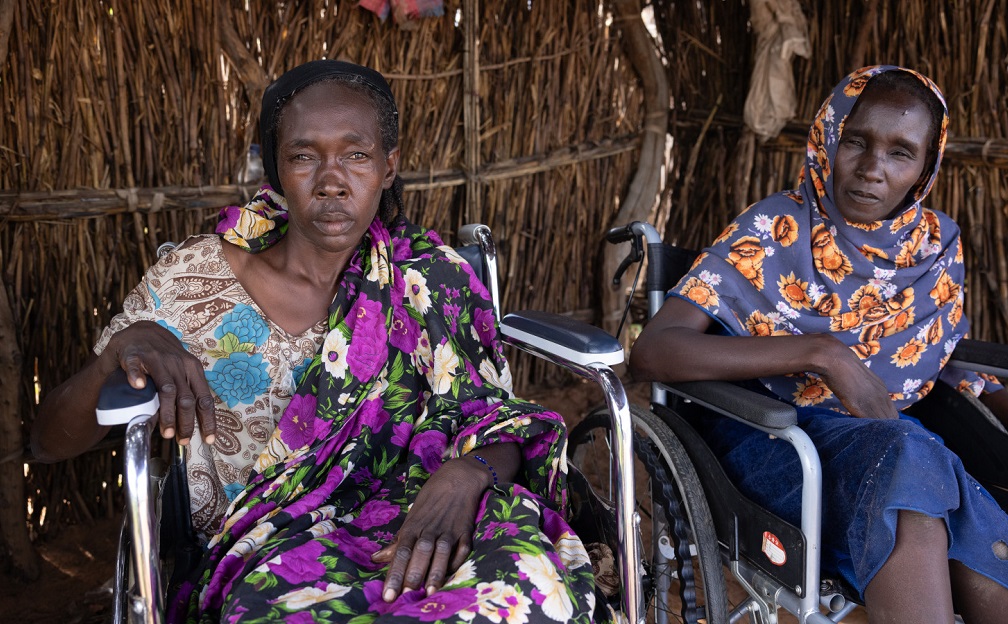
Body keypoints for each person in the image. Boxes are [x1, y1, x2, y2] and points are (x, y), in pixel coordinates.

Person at [32, 60, 596, 624]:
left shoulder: (433, 280)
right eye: (304, 155)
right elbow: (48, 441)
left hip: (440, 524)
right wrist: (120, 347)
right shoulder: (191, 283)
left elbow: (495, 420)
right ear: (276, 171)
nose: (332, 179)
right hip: (271, 551)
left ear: (388, 166)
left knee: (526, 595)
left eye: (356, 154)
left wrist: (468, 474)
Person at [629, 66, 1008, 624]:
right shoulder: (776, 227)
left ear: (926, 167)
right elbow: (655, 351)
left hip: (889, 449)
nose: (872, 170)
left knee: (916, 474)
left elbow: (939, 345)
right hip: (774, 440)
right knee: (914, 461)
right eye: (857, 141)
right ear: (829, 136)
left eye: (901, 153)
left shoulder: (934, 245)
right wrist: (821, 352)